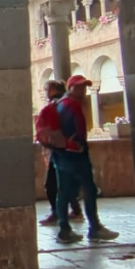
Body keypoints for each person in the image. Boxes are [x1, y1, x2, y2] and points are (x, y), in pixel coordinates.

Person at [53, 75, 120, 245]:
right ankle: (94, 228)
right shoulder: (73, 105)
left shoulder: (60, 104)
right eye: (79, 87)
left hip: (61, 155)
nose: (83, 91)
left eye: (84, 87)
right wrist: (81, 147)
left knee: (64, 193)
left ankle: (64, 230)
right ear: (71, 88)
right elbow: (80, 132)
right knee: (89, 190)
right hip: (76, 156)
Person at [38, 80, 83, 226]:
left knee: (52, 184)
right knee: (64, 182)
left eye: (47, 89)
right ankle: (75, 211)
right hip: (65, 149)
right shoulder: (66, 103)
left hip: (60, 149)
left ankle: (57, 213)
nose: (46, 92)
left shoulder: (58, 105)